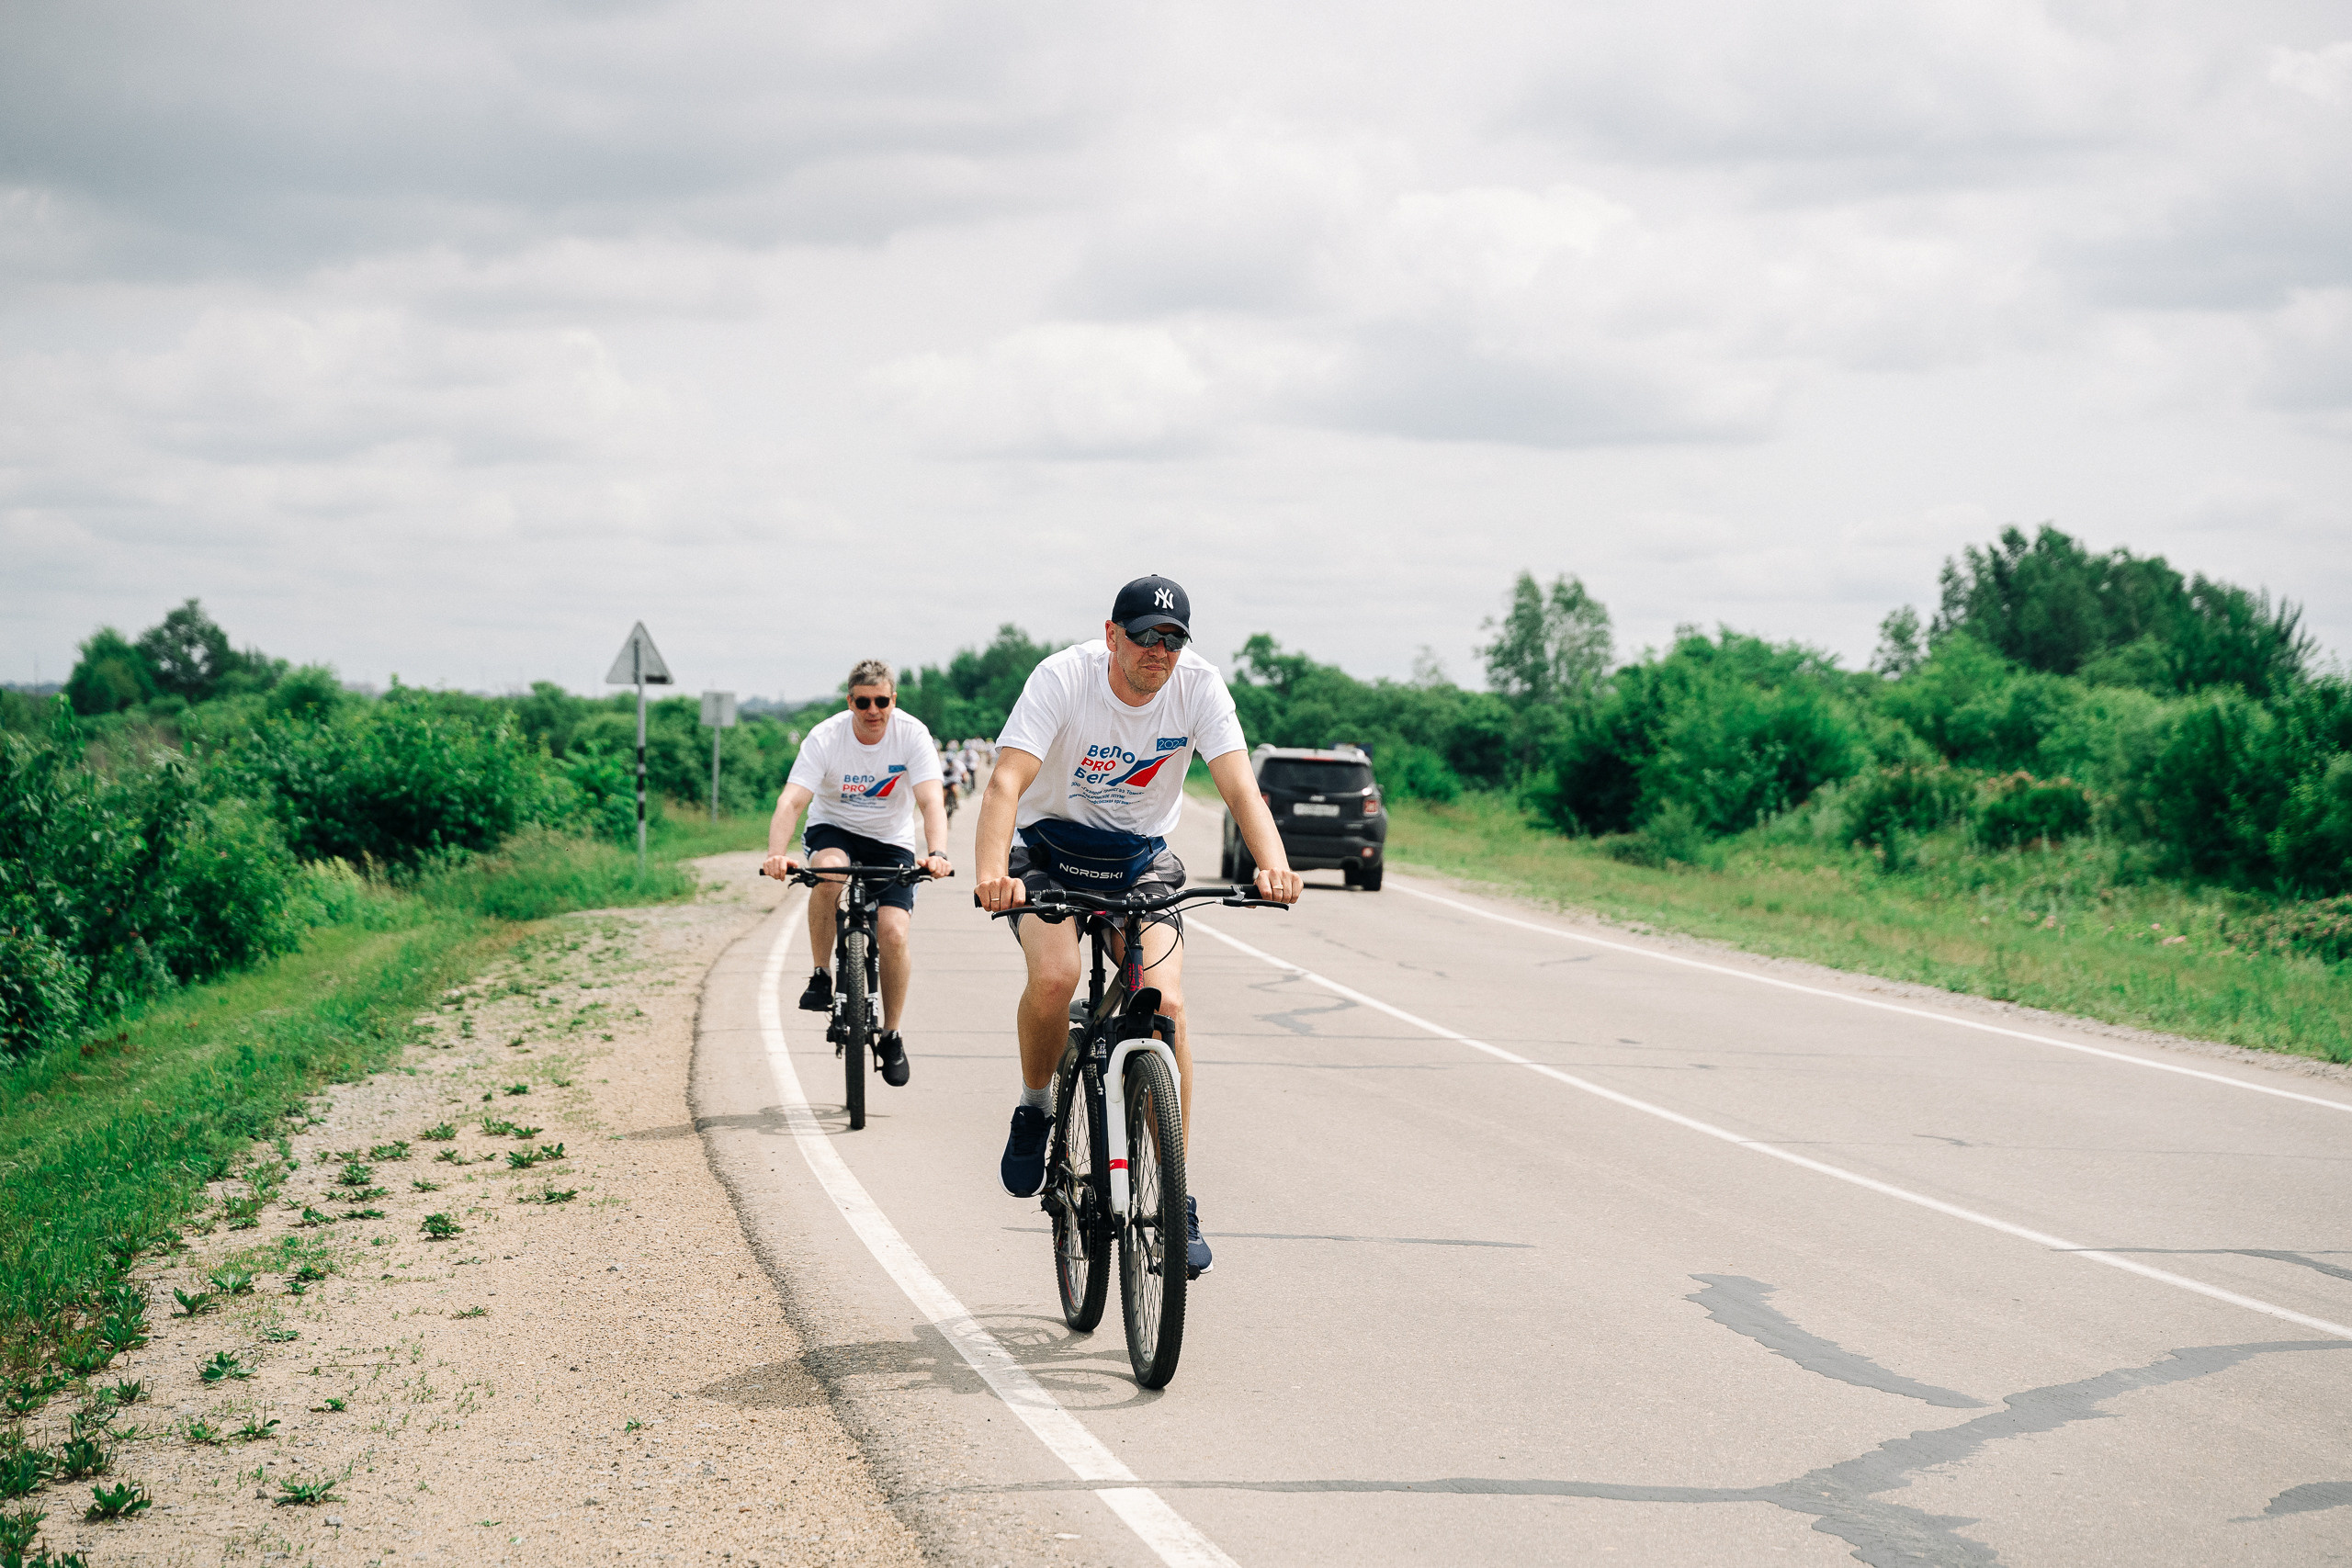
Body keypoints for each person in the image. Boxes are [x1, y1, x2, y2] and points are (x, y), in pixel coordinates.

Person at [972, 574, 1301, 1277]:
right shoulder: (1064, 678)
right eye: (1147, 635)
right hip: (1049, 850)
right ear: (1112, 635)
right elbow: (1005, 781)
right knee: (1057, 976)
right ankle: (1036, 1106)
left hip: (1138, 859)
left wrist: (1273, 864)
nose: (1161, 650)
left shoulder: (1199, 687)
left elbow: (1240, 786)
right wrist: (992, 871)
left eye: (1174, 639)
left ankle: (1174, 1194)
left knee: (1167, 1004)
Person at [762, 660, 952, 1088]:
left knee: (894, 934)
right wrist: (776, 854)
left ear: (893, 700)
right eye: (863, 702)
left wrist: (937, 852)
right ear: (850, 702)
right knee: (827, 872)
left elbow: (930, 802)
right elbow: (792, 801)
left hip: (890, 839)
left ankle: (892, 1034)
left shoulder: (912, 734)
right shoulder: (826, 737)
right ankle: (821, 974)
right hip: (834, 828)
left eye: (881, 701)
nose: (873, 711)